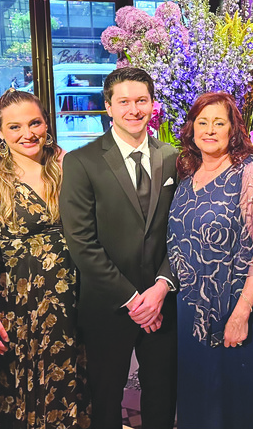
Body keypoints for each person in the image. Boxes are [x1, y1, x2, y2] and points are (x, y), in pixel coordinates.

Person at [60, 67, 178, 429]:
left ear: (152, 104)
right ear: (107, 107)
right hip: (108, 306)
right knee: (105, 399)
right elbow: (81, 242)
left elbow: (182, 232)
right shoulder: (82, 162)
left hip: (163, 301)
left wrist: (160, 288)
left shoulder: (172, 157)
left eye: (141, 100)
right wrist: (133, 300)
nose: (133, 109)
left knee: (162, 393)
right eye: (123, 102)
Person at [0, 89, 91, 429]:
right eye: (15, 127)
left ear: (46, 123)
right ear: (1, 133)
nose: (27, 134)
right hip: (13, 306)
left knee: (66, 387)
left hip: (68, 302)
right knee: (12, 392)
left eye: (34, 123)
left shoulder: (70, 165)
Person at [167, 92, 253, 429]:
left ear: (232, 129)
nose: (209, 130)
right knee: (201, 399)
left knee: (235, 403)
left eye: (219, 122)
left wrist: (243, 310)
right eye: (202, 122)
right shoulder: (188, 173)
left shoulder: (250, 173)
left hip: (235, 305)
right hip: (191, 309)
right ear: (191, 129)